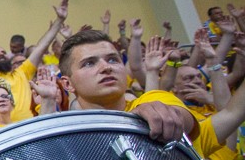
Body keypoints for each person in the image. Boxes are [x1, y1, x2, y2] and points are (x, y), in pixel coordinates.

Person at [57, 30, 196, 142]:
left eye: (113, 60)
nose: (106, 67)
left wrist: (153, 115)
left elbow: (180, 118)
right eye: (89, 63)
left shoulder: (154, 99)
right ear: (68, 84)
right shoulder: (66, 135)